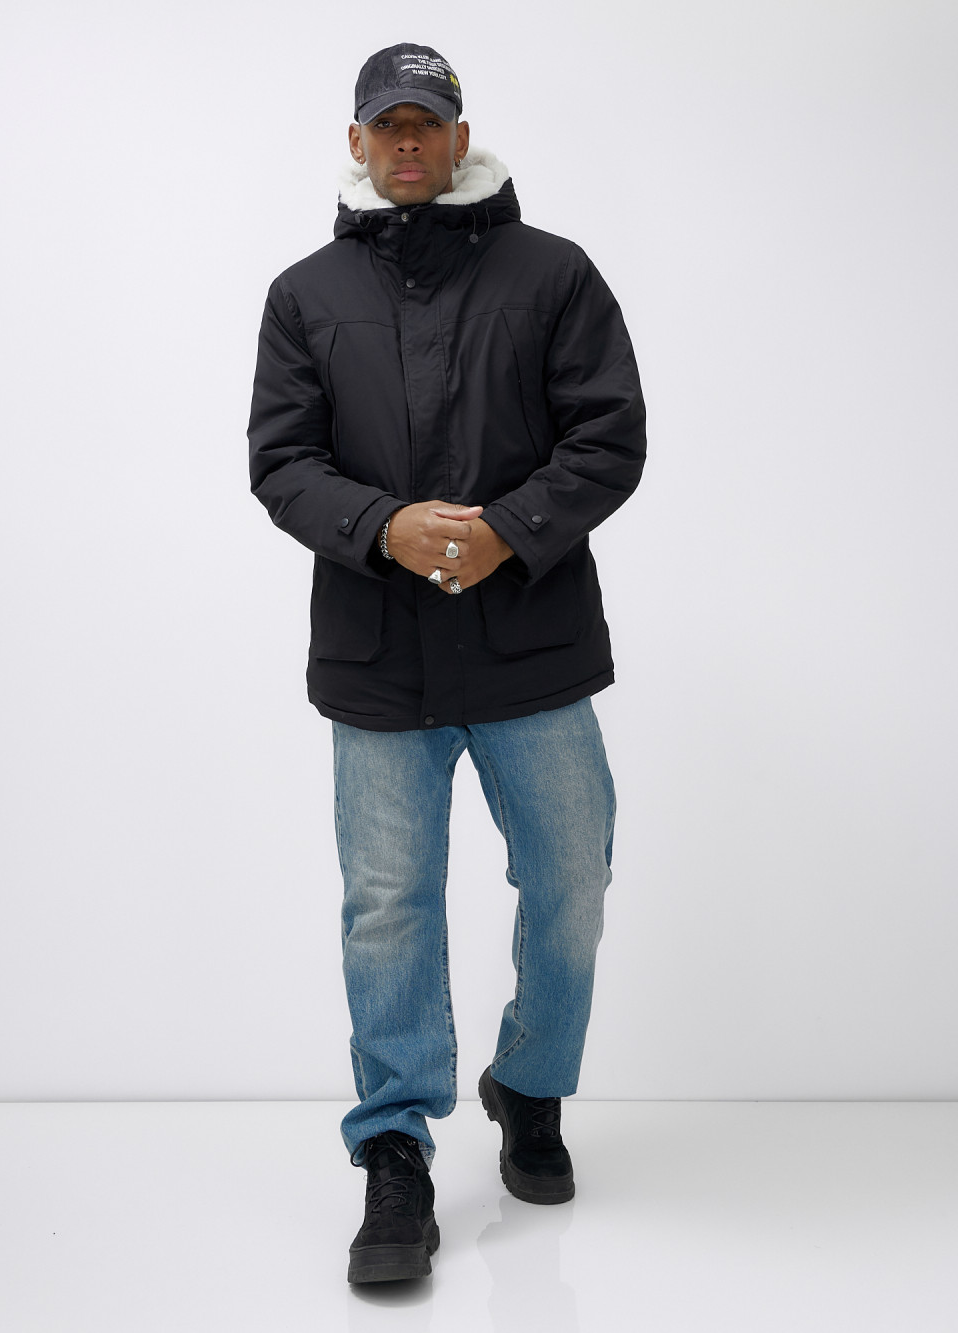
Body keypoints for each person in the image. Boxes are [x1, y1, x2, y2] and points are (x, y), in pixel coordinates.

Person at [247, 42, 646, 1284]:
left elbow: (608, 434)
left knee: (571, 881)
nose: (408, 142)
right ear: (357, 142)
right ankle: (395, 1151)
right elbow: (281, 460)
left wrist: (508, 532)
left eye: (427, 122)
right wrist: (385, 528)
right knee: (388, 906)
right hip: (381, 662)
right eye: (388, 125)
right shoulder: (305, 294)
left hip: (533, 648)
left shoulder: (554, 274)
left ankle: (530, 1084)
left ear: (461, 137)